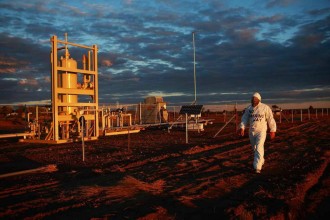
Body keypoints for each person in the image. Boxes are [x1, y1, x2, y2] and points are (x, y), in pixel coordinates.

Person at [238, 92, 276, 174]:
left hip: (261, 131)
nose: (253, 100)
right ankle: (261, 160)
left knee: (259, 147)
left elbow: (270, 119)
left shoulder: (265, 107)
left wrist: (272, 130)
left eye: (255, 99)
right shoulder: (249, 109)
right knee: (255, 148)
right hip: (252, 131)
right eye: (252, 99)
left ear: (259, 100)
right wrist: (242, 128)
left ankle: (257, 167)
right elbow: (244, 119)